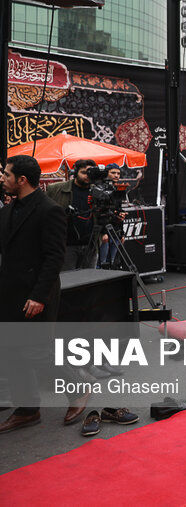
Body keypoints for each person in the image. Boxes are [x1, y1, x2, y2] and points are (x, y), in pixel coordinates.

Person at [0, 155, 95, 433]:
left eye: (6, 174)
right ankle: (27, 409)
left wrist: (39, 296)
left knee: (36, 351)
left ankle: (78, 388)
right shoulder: (6, 211)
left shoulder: (49, 210)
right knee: (10, 352)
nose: (2, 178)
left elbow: (54, 258)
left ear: (22, 179)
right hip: (8, 293)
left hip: (37, 294)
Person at [46, 159, 99, 271]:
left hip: (90, 245)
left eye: (90, 173)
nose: (87, 176)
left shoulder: (98, 191)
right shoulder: (56, 189)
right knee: (68, 282)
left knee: (90, 282)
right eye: (84, 173)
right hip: (66, 245)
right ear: (75, 172)